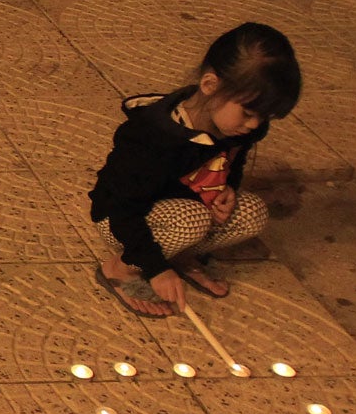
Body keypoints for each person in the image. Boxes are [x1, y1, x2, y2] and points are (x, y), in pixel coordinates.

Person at [89, 22, 299, 318]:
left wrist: (228, 188)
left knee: (253, 213)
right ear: (210, 86)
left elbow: (232, 161)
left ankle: (179, 255)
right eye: (248, 113)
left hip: (183, 209)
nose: (254, 125)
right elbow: (123, 208)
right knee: (193, 220)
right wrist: (156, 269)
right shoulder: (151, 136)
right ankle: (120, 269)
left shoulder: (241, 127)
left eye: (264, 117)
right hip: (122, 219)